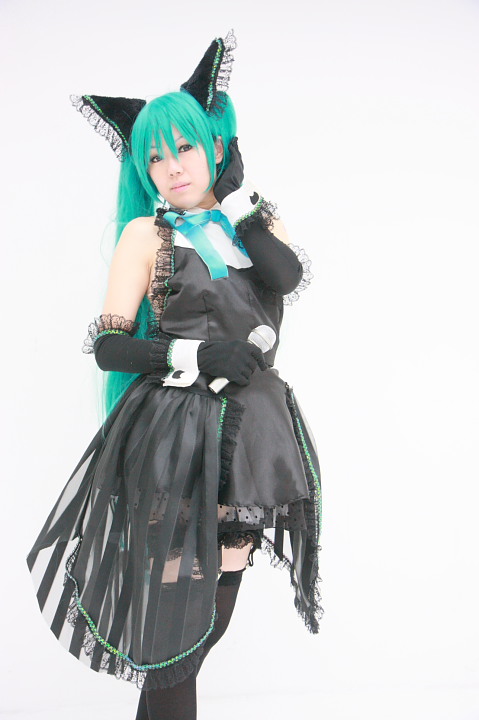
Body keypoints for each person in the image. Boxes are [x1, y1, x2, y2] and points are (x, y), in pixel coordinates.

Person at [26, 29, 323, 720]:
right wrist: (193, 356)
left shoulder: (253, 222)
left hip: (250, 439)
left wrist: (236, 198)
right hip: (175, 437)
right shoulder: (144, 236)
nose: (170, 167)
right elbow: (109, 349)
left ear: (215, 146)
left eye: (184, 147)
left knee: (207, 623)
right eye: (154, 157)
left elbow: (285, 276)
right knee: (172, 627)